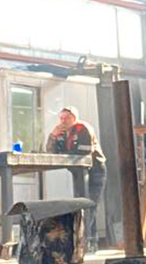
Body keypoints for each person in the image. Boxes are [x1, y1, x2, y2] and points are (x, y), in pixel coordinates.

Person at [46, 106, 106, 251]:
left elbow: (83, 152)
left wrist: (64, 154)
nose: (63, 121)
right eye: (61, 118)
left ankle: (86, 241)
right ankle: (89, 241)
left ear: (74, 118)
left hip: (94, 171)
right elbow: (52, 152)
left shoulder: (82, 128)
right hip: (78, 172)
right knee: (81, 206)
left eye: (67, 118)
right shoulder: (62, 133)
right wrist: (52, 136)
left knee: (89, 206)